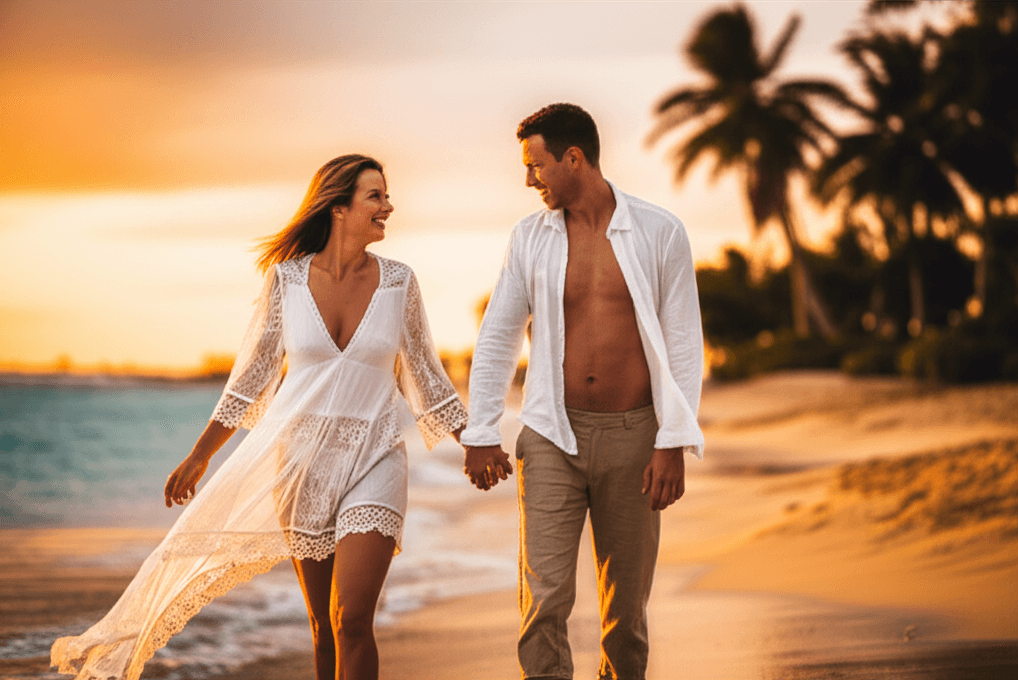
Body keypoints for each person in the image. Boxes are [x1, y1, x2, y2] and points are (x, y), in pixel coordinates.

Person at [51, 155, 467, 680]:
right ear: (338, 207)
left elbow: (426, 375)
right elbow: (250, 380)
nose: (389, 205)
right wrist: (199, 456)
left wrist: (473, 440)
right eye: (376, 196)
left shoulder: (399, 282)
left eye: (386, 195)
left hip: (375, 457)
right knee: (322, 626)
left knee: (352, 620)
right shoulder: (286, 280)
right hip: (300, 464)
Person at [461, 103, 704, 679]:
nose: (528, 180)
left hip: (636, 438)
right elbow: (497, 336)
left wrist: (673, 439)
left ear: (574, 158)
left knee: (626, 614)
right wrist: (480, 430)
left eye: (536, 165)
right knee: (543, 602)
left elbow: (684, 342)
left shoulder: (658, 231)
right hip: (551, 435)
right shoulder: (529, 238)